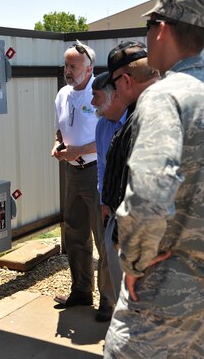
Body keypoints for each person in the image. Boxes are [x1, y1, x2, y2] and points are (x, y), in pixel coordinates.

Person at [104, 0, 204, 358]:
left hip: (166, 297)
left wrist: (133, 261)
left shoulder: (166, 95)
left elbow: (148, 191)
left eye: (148, 28)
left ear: (161, 28)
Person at [51, 40, 115, 322]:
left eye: (73, 66)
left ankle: (109, 301)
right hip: (71, 172)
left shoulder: (99, 93)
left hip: (94, 171)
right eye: (66, 65)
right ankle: (81, 290)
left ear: (89, 68)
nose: (67, 70)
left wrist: (78, 151)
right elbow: (61, 128)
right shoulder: (63, 94)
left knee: (102, 238)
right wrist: (58, 144)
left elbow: (108, 136)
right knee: (74, 232)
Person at [95, 42, 159, 304]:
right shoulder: (142, 111)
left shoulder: (151, 114)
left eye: (115, 84)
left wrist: (125, 240)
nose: (116, 92)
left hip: (138, 243)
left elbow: (148, 186)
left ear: (127, 80)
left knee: (136, 314)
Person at [91, 72, 127, 305]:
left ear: (114, 97)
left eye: (97, 96)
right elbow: (102, 167)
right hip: (112, 207)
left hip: (135, 211)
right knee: (113, 260)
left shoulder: (136, 123)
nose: (92, 102)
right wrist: (104, 201)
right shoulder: (102, 126)